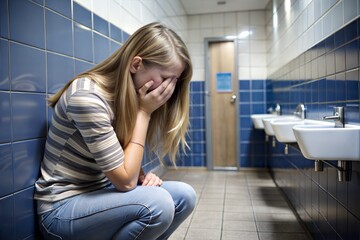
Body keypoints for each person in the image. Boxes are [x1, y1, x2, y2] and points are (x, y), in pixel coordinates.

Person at [34, 22, 196, 240]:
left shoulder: (127, 99)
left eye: (175, 81)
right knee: (158, 205)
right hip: (60, 210)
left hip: (99, 196)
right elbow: (125, 181)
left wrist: (144, 179)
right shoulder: (87, 97)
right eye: (166, 78)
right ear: (136, 65)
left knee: (185, 196)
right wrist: (144, 114)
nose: (169, 89)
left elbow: (126, 170)